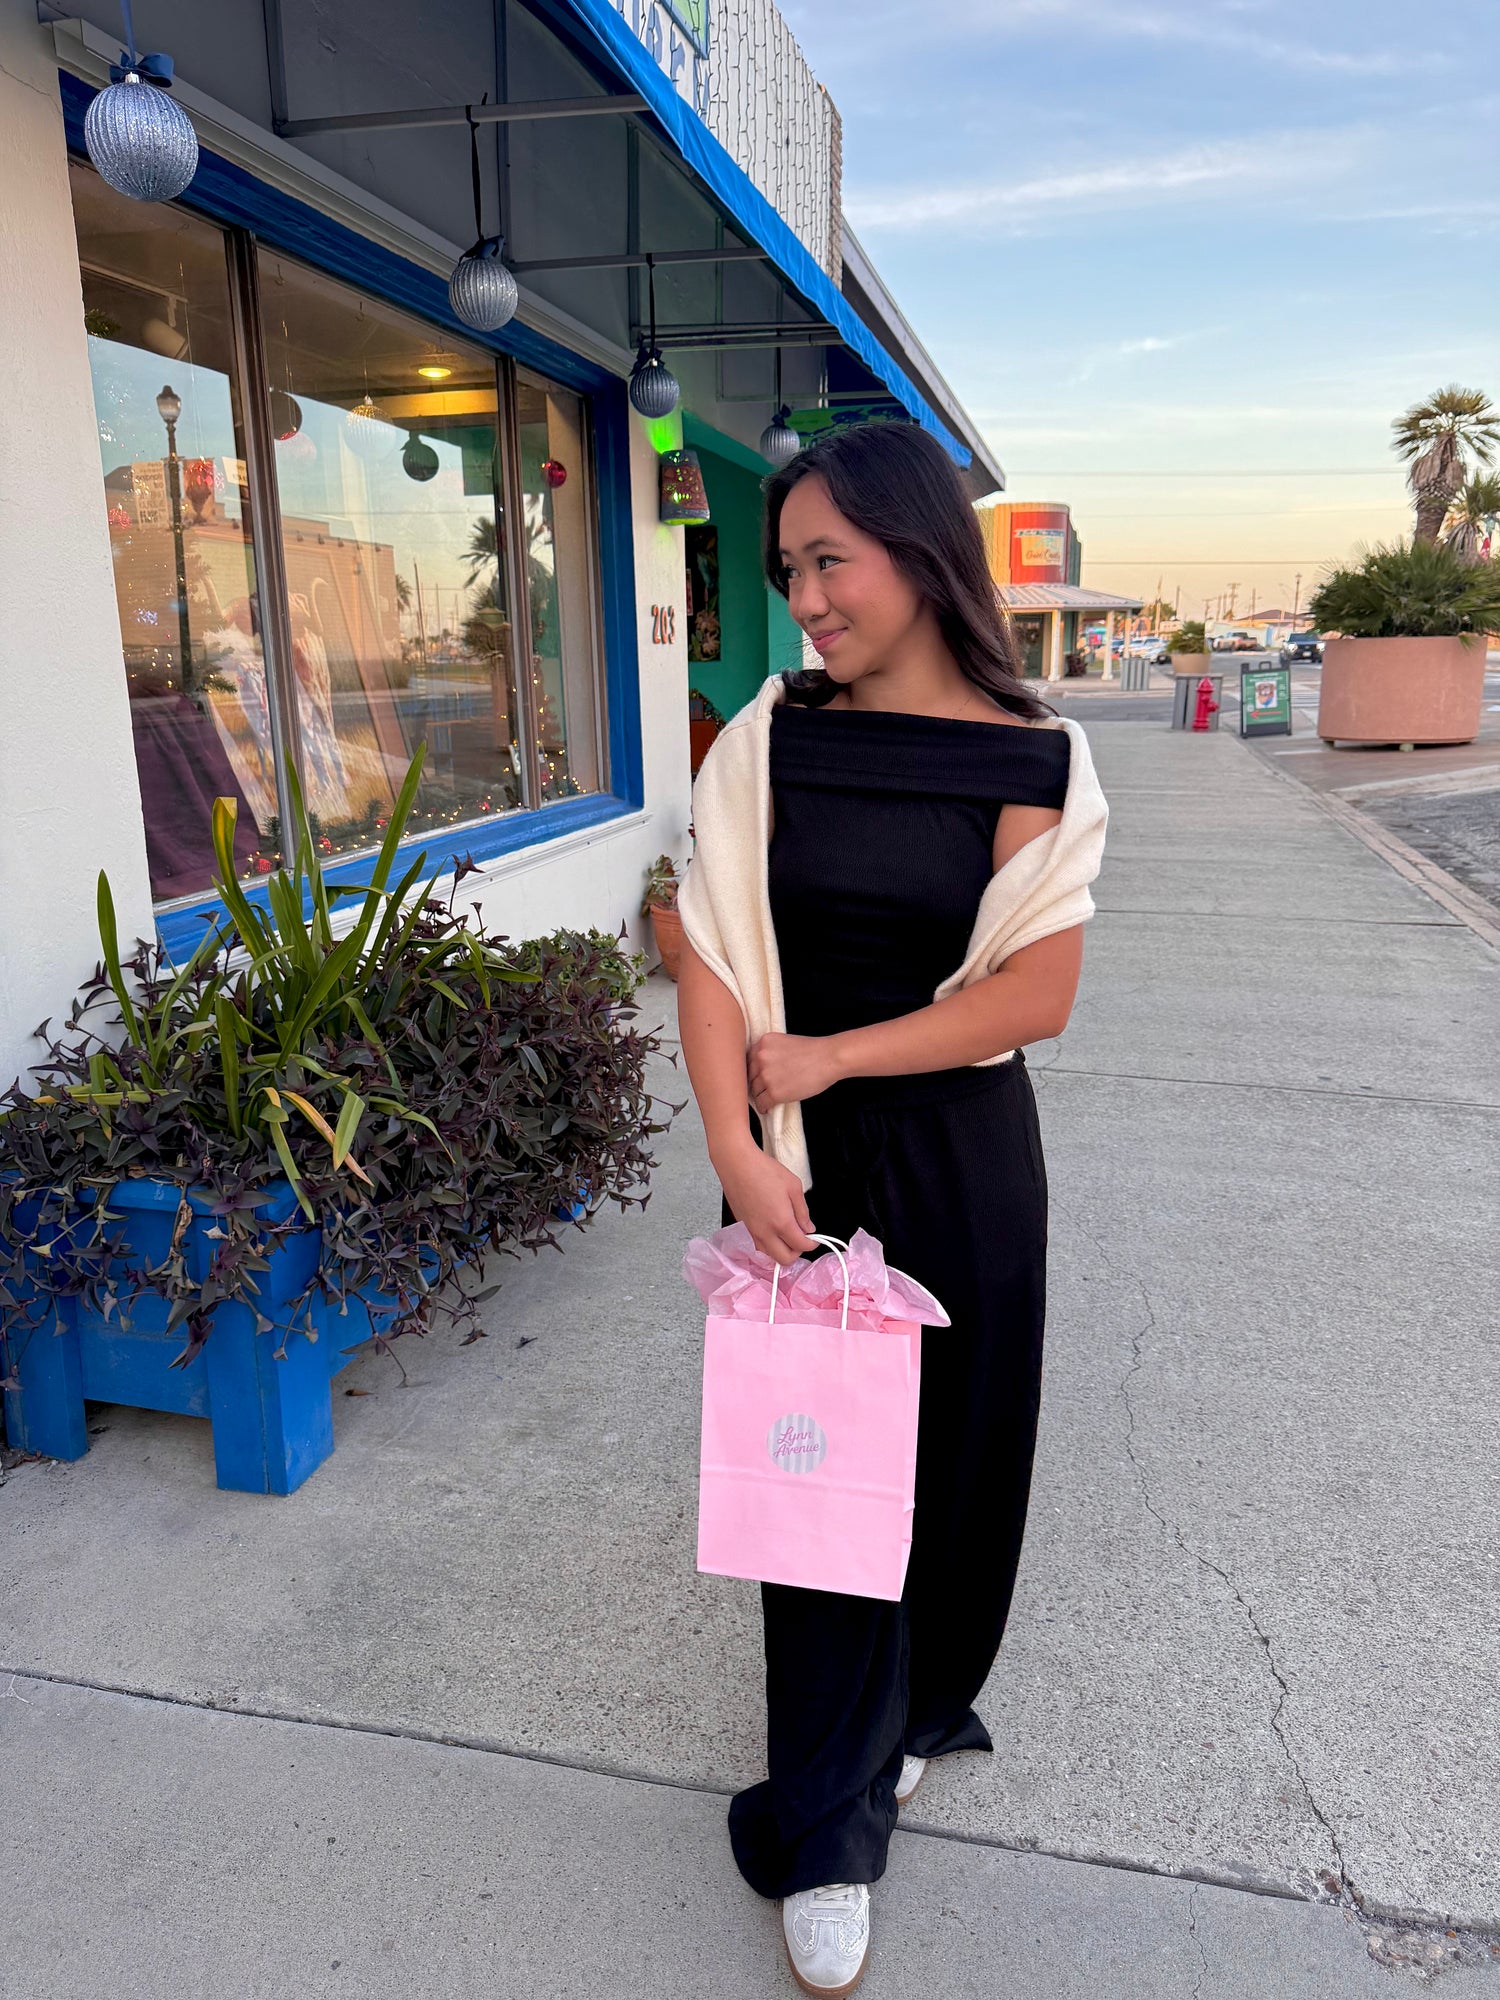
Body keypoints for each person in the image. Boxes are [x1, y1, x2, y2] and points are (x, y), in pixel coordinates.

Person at [675, 421, 1107, 1996]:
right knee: (821, 1492)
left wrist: (838, 1051)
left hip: (965, 1155)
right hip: (806, 1165)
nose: (805, 599)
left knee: (963, 1467)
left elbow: (1036, 992)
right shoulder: (770, 740)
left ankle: (920, 1709)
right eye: (789, 568)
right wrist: (739, 1147)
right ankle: (828, 1826)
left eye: (829, 562)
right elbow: (705, 945)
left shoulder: (1032, 757)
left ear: (922, 554)